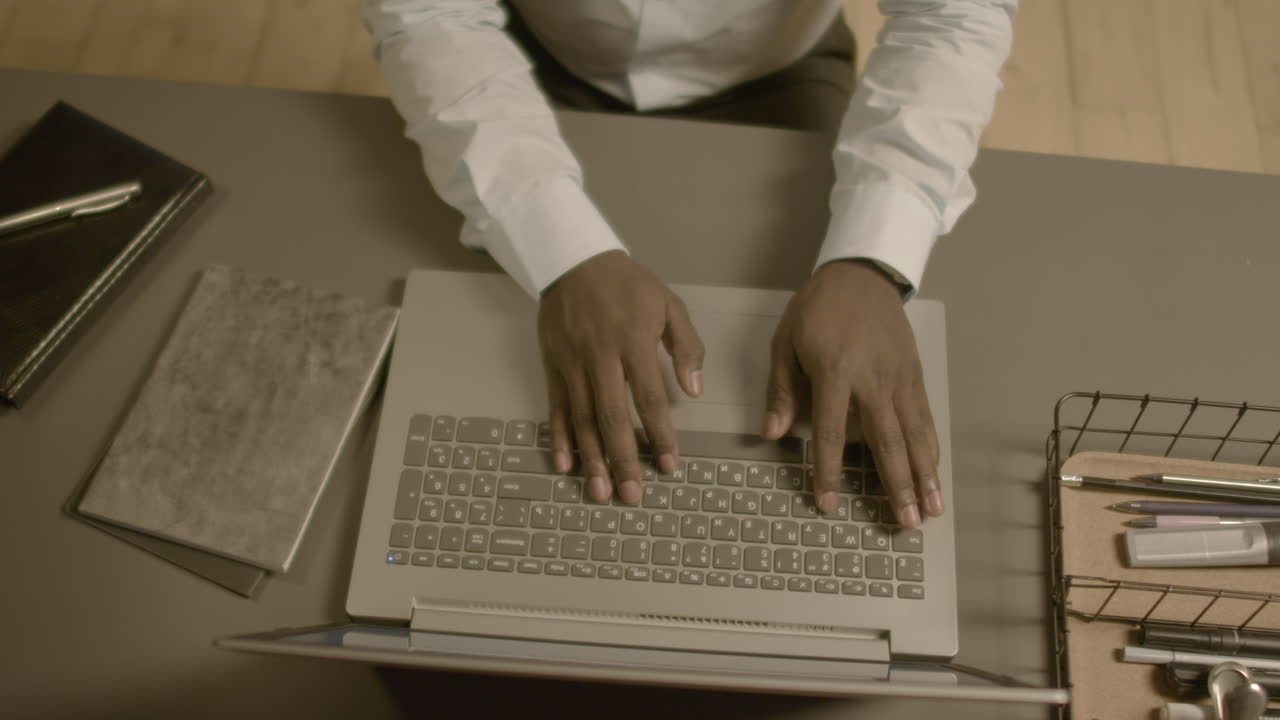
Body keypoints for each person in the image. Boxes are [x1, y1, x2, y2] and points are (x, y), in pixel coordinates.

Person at [362, 0, 1016, 531]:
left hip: (780, 68)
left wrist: (875, 256)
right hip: (526, 60)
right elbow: (429, 14)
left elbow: (952, 14)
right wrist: (557, 247)